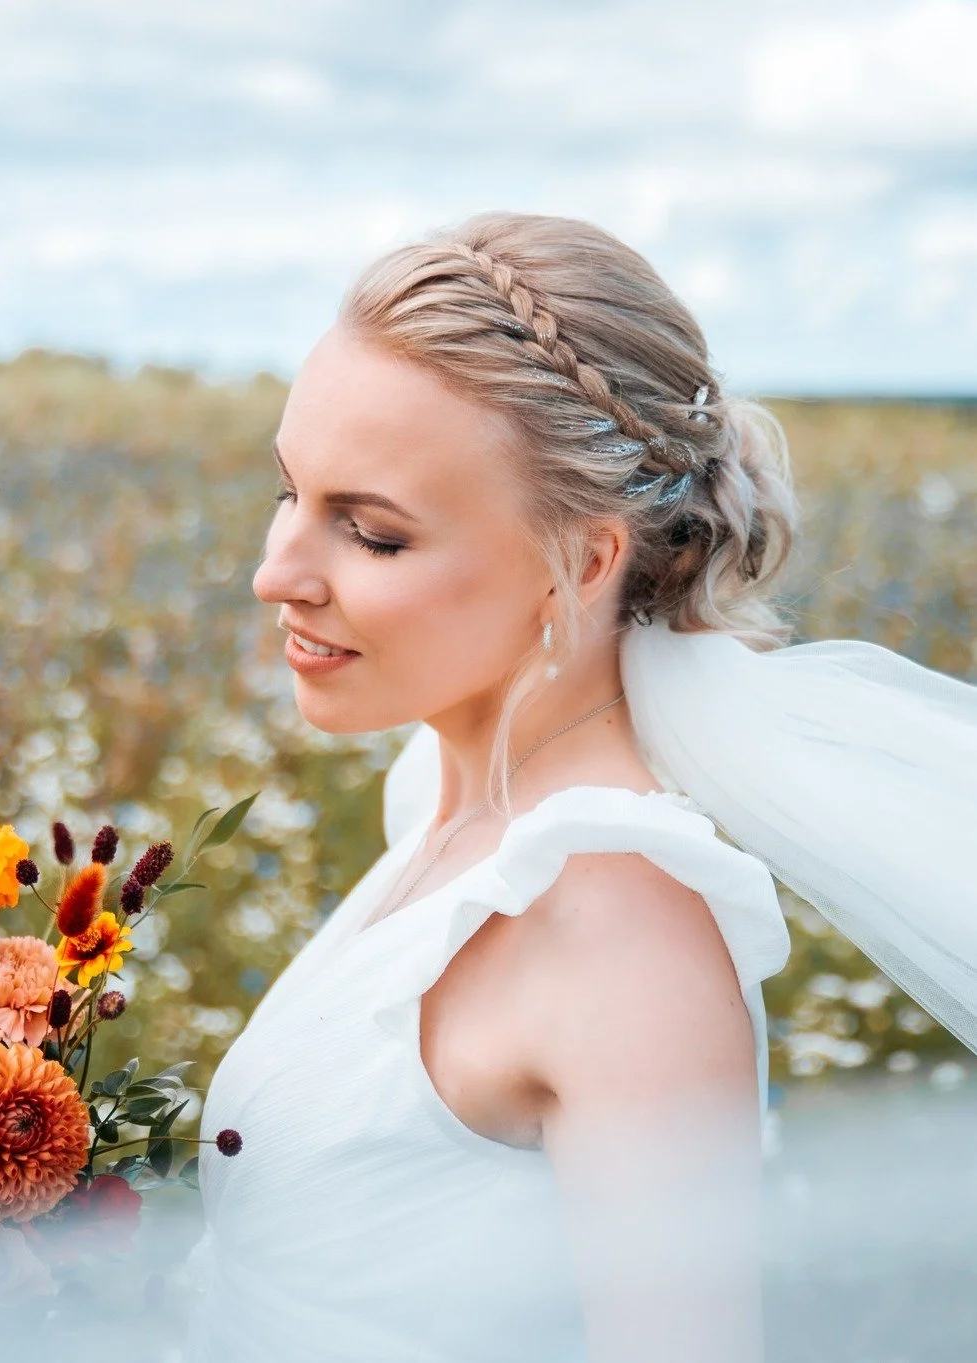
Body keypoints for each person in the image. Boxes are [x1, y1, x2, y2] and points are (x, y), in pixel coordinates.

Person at [187, 212, 977, 1363]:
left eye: (371, 534)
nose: (276, 573)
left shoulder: (613, 936)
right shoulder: (449, 804)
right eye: (287, 492)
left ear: (588, 561)